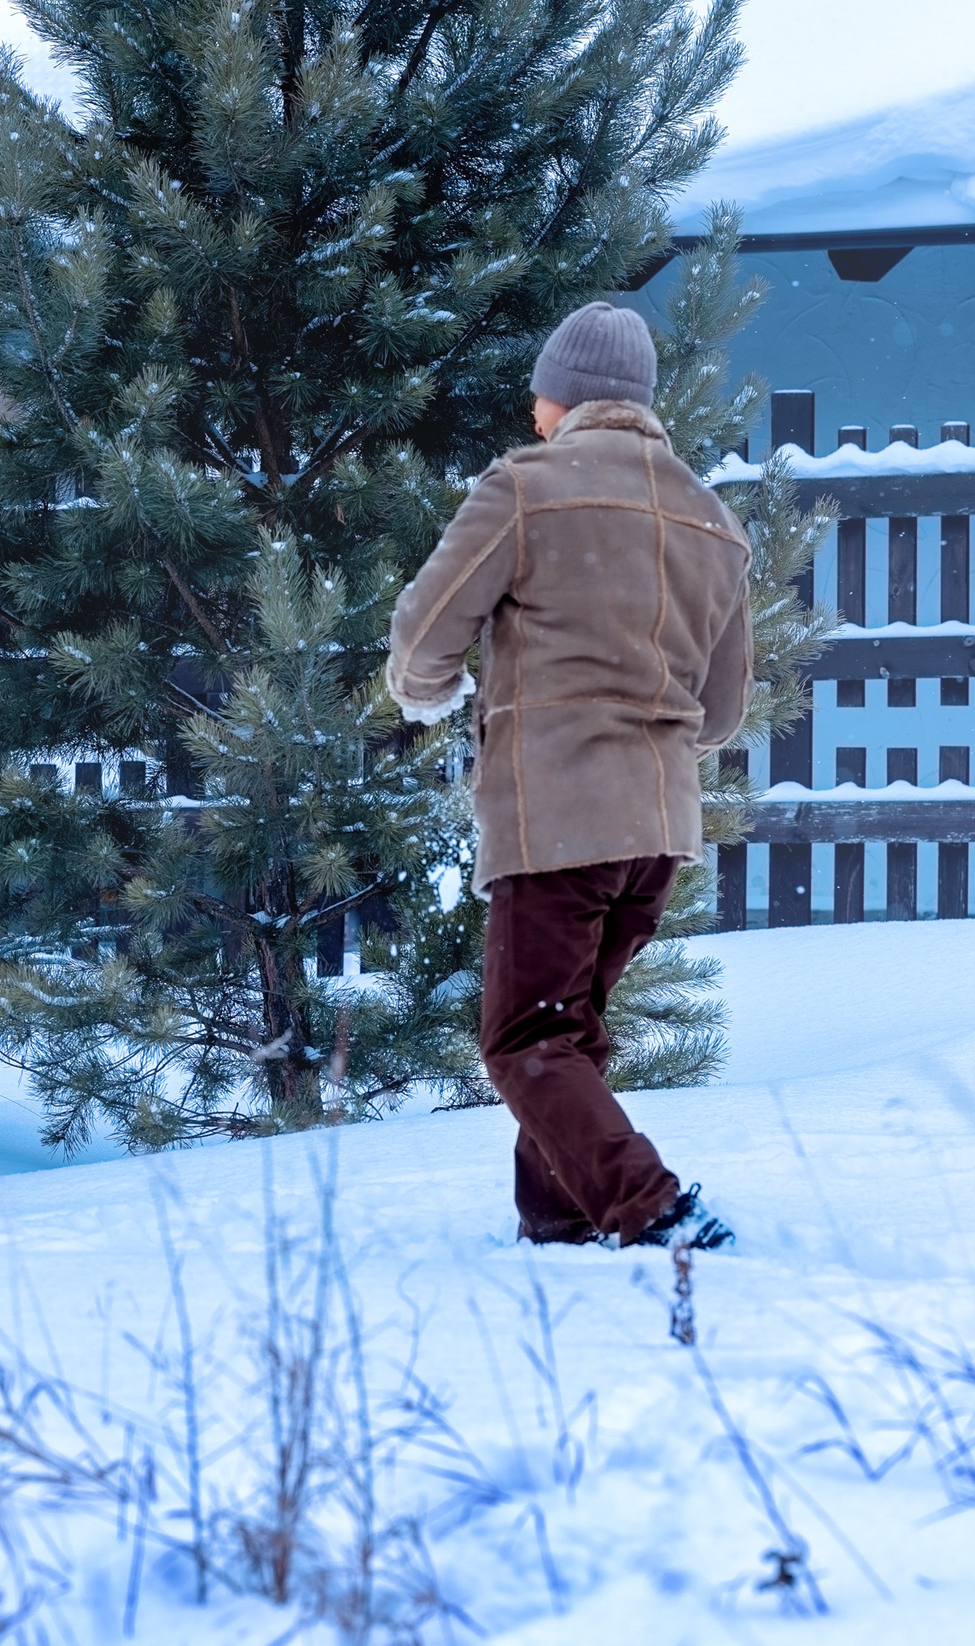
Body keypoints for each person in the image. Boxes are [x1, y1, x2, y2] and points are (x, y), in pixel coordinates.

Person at [385, 301, 748, 1251]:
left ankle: (652, 1205)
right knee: (568, 1034)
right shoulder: (713, 521)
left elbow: (424, 631)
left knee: (523, 1040)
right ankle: (559, 1221)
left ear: (566, 397)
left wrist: (430, 691)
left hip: (557, 823)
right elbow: (722, 712)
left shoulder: (526, 489)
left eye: (540, 395)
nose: (533, 412)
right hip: (659, 832)